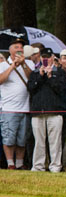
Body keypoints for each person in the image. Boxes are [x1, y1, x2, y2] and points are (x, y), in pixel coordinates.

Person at [28, 48, 65, 172]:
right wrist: (41, 75)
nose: (46, 59)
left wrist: (50, 76)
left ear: (52, 58)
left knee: (55, 142)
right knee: (39, 142)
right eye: (43, 57)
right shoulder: (35, 73)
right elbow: (31, 88)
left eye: (48, 57)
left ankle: (55, 166)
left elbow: (60, 89)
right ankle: (38, 166)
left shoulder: (59, 72)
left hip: (54, 112)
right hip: (38, 112)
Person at [0, 37, 34, 169]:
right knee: (9, 138)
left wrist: (23, 63)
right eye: (16, 48)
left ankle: (20, 163)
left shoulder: (29, 63)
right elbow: (1, 80)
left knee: (22, 139)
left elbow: (32, 80)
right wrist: (13, 66)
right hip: (9, 108)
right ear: (10, 51)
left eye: (21, 48)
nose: (19, 50)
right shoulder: (2, 65)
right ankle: (10, 163)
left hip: (26, 108)